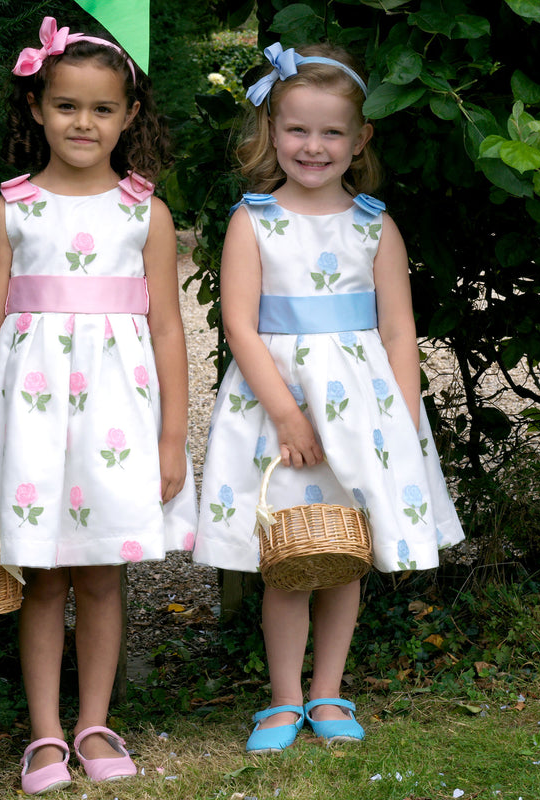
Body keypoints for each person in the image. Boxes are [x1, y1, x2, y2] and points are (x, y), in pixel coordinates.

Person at [193, 42, 464, 753]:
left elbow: (400, 332)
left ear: (360, 139)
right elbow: (239, 325)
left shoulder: (375, 225)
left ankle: (328, 693)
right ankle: (283, 699)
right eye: (297, 130)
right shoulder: (252, 221)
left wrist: (402, 423)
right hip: (275, 411)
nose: (314, 147)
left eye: (332, 132)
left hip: (362, 414)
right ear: (270, 131)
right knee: (289, 553)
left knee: (345, 550)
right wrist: (284, 411)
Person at [0, 17, 197, 793]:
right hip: (27, 421)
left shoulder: (144, 213)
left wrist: (169, 439)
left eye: (100, 109)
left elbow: (166, 329)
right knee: (42, 577)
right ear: (36, 109)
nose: (82, 123)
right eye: (65, 106)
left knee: (100, 575)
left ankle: (95, 722)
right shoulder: (12, 211)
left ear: (128, 117)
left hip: (114, 422)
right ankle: (47, 736)